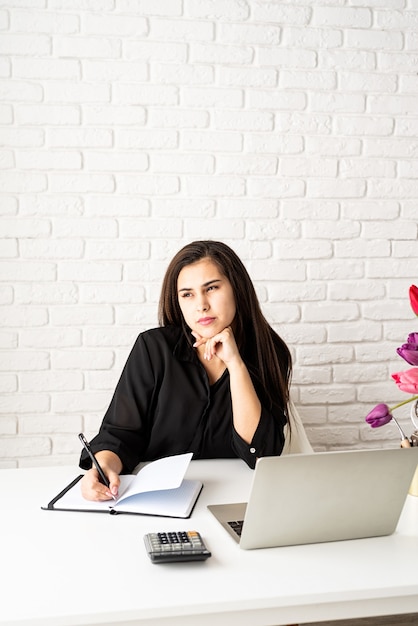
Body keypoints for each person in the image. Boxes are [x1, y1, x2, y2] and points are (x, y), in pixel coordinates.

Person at [80, 240, 292, 501]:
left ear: (237, 289)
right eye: (187, 294)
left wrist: (236, 365)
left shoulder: (269, 353)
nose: (201, 304)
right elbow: (120, 435)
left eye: (211, 288)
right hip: (156, 499)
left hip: (236, 498)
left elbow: (261, 453)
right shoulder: (153, 348)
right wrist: (104, 468)